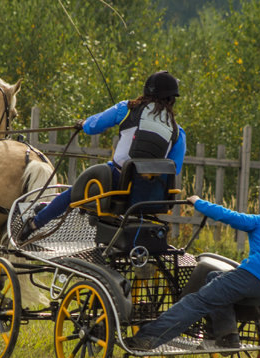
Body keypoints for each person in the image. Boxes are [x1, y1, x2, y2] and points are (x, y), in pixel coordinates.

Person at [18, 70, 187, 241]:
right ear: (172, 99)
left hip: (117, 182)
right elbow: (174, 167)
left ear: (146, 92)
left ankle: (34, 224)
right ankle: (48, 207)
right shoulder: (177, 132)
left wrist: (83, 124)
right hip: (149, 195)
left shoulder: (127, 109)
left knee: (75, 192)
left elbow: (94, 126)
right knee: (88, 189)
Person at [124, 192, 260, 351]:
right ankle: (227, 336)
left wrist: (198, 202)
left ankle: (147, 338)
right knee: (214, 279)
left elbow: (228, 216)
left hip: (249, 277)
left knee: (196, 302)